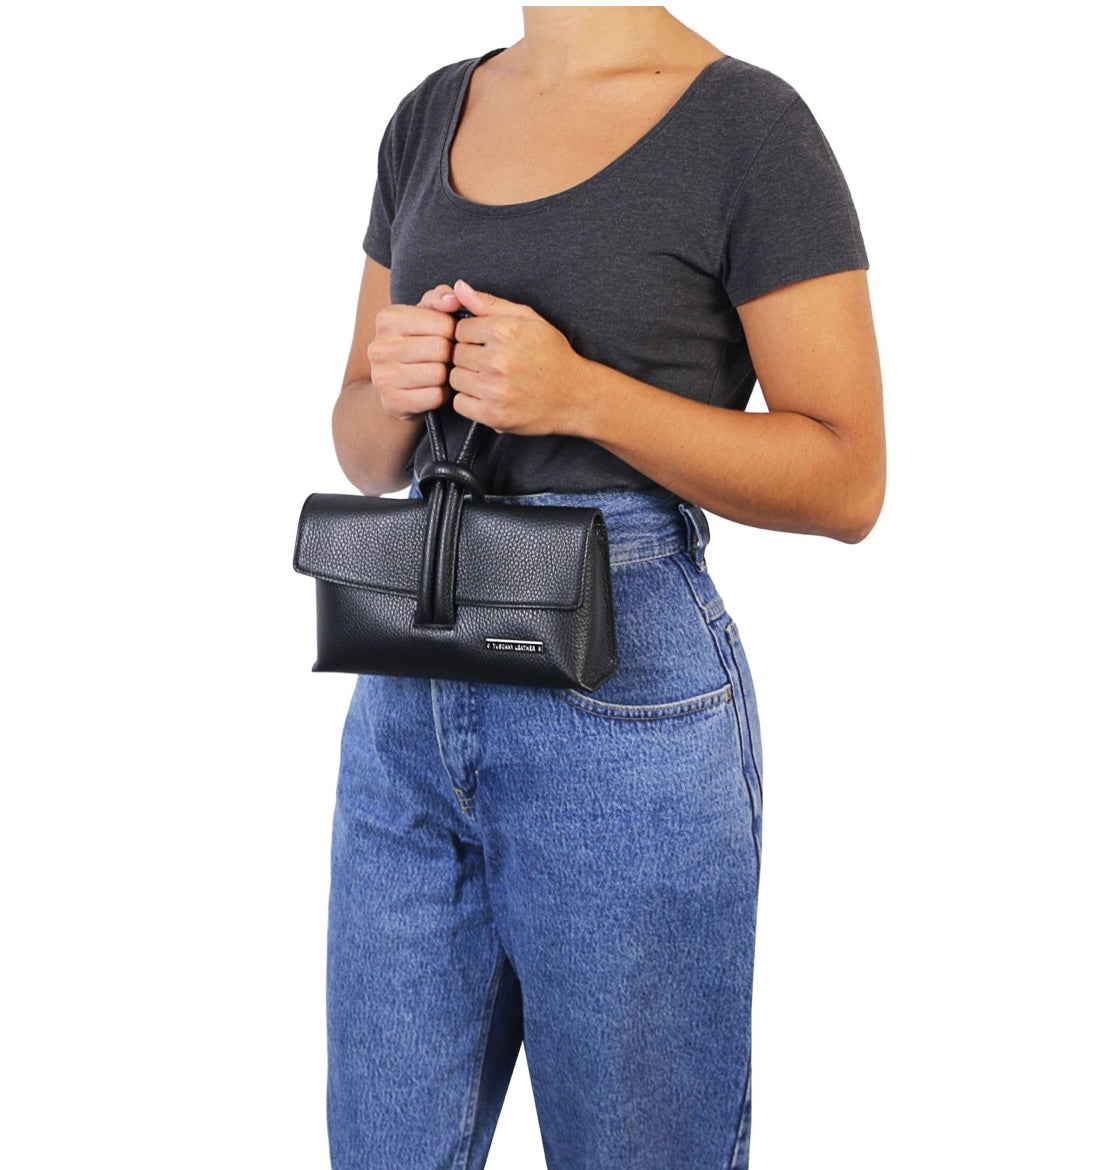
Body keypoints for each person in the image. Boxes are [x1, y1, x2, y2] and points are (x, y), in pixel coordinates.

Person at [327, 7, 885, 1168]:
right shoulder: (429, 113)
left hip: (623, 701)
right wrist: (393, 386)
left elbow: (849, 479)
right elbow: (366, 452)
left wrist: (581, 395)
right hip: (408, 697)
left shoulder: (751, 128)